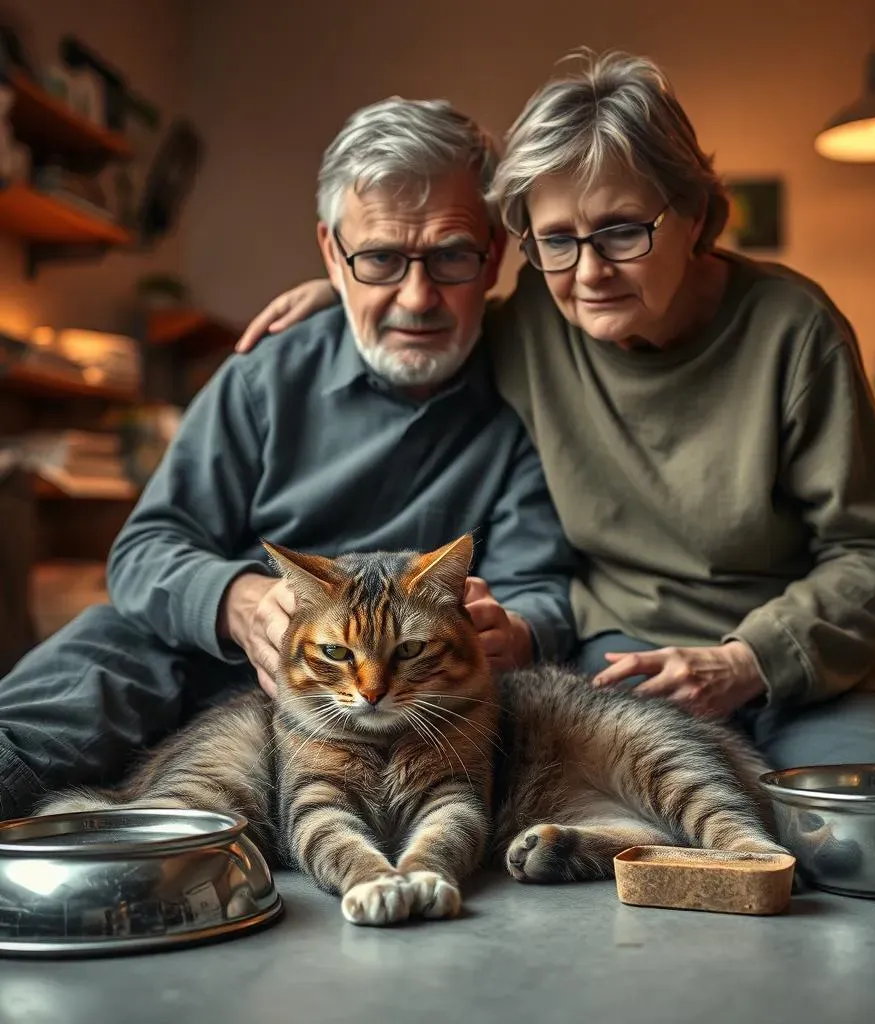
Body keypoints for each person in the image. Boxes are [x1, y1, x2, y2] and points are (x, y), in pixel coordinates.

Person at [239, 50, 875, 767]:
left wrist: (746, 661)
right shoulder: (534, 320)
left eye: (622, 230)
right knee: (621, 826)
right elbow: (427, 302)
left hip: (815, 665)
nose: (589, 273)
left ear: (696, 216)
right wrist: (337, 296)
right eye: (556, 239)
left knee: (849, 837)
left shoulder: (792, 328)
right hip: (624, 661)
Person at [0, 98, 577, 821]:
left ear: (493, 254)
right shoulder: (264, 377)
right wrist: (237, 602)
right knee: (103, 651)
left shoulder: (528, 392)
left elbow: (545, 590)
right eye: (379, 259)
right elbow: (145, 550)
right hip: (216, 667)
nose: (417, 296)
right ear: (333, 254)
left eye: (452, 255)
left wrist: (515, 627)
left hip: (412, 706)